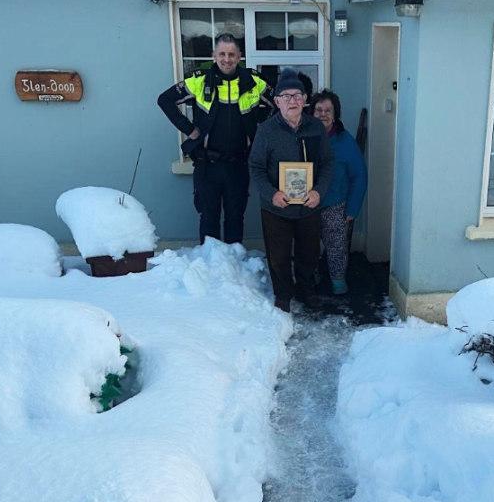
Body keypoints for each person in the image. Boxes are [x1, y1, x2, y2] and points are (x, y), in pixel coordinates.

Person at [157, 33, 273, 244]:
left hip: (238, 165)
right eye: (222, 54)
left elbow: (279, 105)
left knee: (235, 218)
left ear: (240, 56)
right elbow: (164, 100)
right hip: (206, 165)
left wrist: (259, 134)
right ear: (214, 56)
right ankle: (210, 271)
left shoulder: (254, 82)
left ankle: (233, 268)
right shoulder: (199, 80)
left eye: (231, 54)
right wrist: (189, 129)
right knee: (209, 218)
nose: (226, 59)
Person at [249, 69, 334, 312]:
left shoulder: (316, 127)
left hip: (309, 205)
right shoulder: (266, 130)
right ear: (277, 101)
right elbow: (255, 166)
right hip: (277, 207)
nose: (292, 101)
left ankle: (306, 291)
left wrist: (318, 191)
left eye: (297, 95)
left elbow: (328, 162)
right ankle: (283, 294)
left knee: (309, 253)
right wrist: (271, 194)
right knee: (279, 256)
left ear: (305, 99)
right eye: (285, 96)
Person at [312, 90, 367, 295]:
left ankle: (338, 281)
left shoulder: (345, 142)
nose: (323, 114)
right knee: (307, 246)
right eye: (318, 110)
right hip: (306, 204)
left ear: (335, 115)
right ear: (311, 112)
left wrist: (352, 209)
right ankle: (311, 277)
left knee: (336, 247)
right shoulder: (303, 136)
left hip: (335, 204)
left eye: (328, 110)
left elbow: (359, 175)